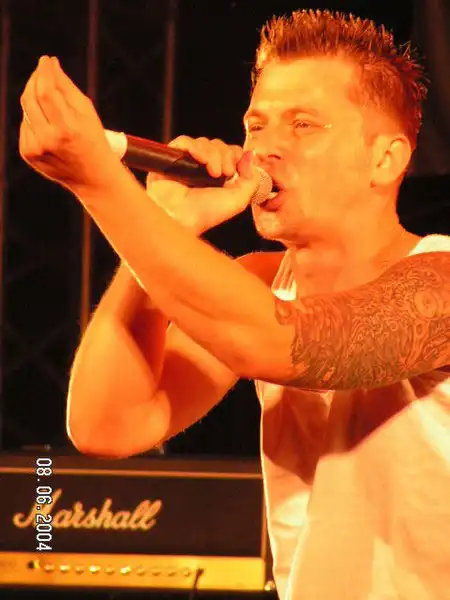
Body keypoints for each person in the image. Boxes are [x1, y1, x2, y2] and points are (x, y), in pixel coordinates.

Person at [19, 9, 450, 600]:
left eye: (303, 125)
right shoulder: (259, 281)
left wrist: (100, 183)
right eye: (256, 125)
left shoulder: (440, 281)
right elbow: (107, 424)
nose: (266, 149)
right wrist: (170, 221)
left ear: (386, 159)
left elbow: (283, 342)